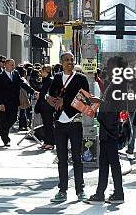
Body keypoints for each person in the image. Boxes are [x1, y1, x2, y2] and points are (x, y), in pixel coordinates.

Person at [46, 52, 90, 203]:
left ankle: (80, 190)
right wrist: (51, 99)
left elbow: (84, 99)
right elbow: (50, 94)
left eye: (71, 60)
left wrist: (65, 101)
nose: (69, 62)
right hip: (59, 123)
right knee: (62, 158)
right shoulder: (57, 77)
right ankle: (62, 190)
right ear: (61, 62)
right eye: (66, 60)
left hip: (75, 122)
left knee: (77, 158)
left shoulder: (81, 78)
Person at [85, 57, 125, 205]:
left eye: (110, 65)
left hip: (110, 129)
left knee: (112, 162)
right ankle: (101, 192)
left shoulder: (118, 83)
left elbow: (114, 105)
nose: (108, 68)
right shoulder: (114, 82)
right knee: (105, 163)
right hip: (107, 129)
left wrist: (99, 102)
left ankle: (117, 192)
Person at [0, 59, 34, 146]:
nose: (13, 66)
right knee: (4, 120)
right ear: (5, 65)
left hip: (14, 102)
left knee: (13, 119)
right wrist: (0, 103)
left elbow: (22, 83)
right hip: (4, 103)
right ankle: (5, 139)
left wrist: (33, 91)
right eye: (11, 65)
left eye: (13, 65)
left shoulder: (16, 74)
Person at [35, 65, 55, 150]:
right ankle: (47, 142)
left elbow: (48, 93)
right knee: (46, 124)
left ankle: (50, 142)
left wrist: (40, 95)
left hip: (47, 106)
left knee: (48, 124)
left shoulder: (50, 80)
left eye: (42, 71)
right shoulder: (46, 80)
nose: (40, 73)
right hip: (44, 105)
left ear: (46, 71)